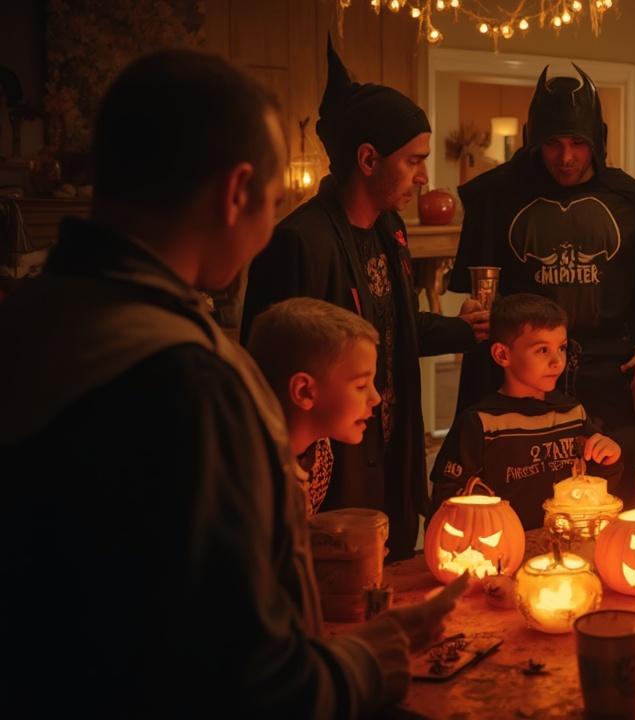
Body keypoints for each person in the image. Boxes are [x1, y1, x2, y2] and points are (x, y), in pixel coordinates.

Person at [0, 50, 460, 716]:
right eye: (272, 201)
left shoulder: (31, 318)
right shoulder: (189, 383)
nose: (272, 223)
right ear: (235, 192)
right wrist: (365, 661)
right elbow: (246, 682)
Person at [241, 40, 486, 559]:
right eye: (414, 161)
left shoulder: (390, 230)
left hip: (393, 461)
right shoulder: (299, 243)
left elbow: (387, 328)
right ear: (369, 158)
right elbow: (270, 374)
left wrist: (465, 330)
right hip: (328, 482)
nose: (424, 177)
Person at [450, 63, 635, 504]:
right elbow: (478, 293)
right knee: (519, 505)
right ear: (533, 140)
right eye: (553, 144)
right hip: (521, 389)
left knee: (615, 500)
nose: (565, 157)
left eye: (577, 143)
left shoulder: (632, 203)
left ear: (596, 140)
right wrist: (474, 315)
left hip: (611, 380)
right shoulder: (495, 199)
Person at [430, 294, 623, 529]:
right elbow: (447, 502)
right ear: (503, 355)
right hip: (502, 549)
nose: (557, 361)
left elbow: (599, 487)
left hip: (568, 545)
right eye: (542, 350)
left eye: (561, 348)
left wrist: (609, 458)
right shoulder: (481, 423)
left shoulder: (572, 413)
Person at [247, 297, 382, 517]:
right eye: (361, 385)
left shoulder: (320, 452)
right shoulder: (249, 472)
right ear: (304, 391)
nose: (376, 398)